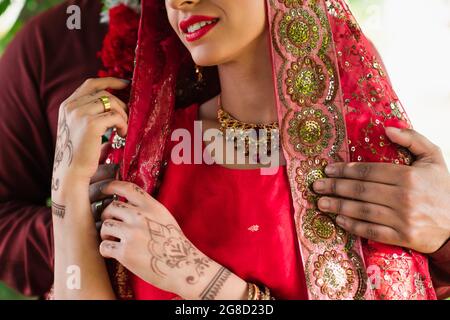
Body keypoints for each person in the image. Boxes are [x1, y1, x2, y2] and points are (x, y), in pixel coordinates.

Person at [1, 0, 448, 299]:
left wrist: (203, 281)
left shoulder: (362, 158)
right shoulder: (154, 149)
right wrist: (68, 190)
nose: (182, 2)